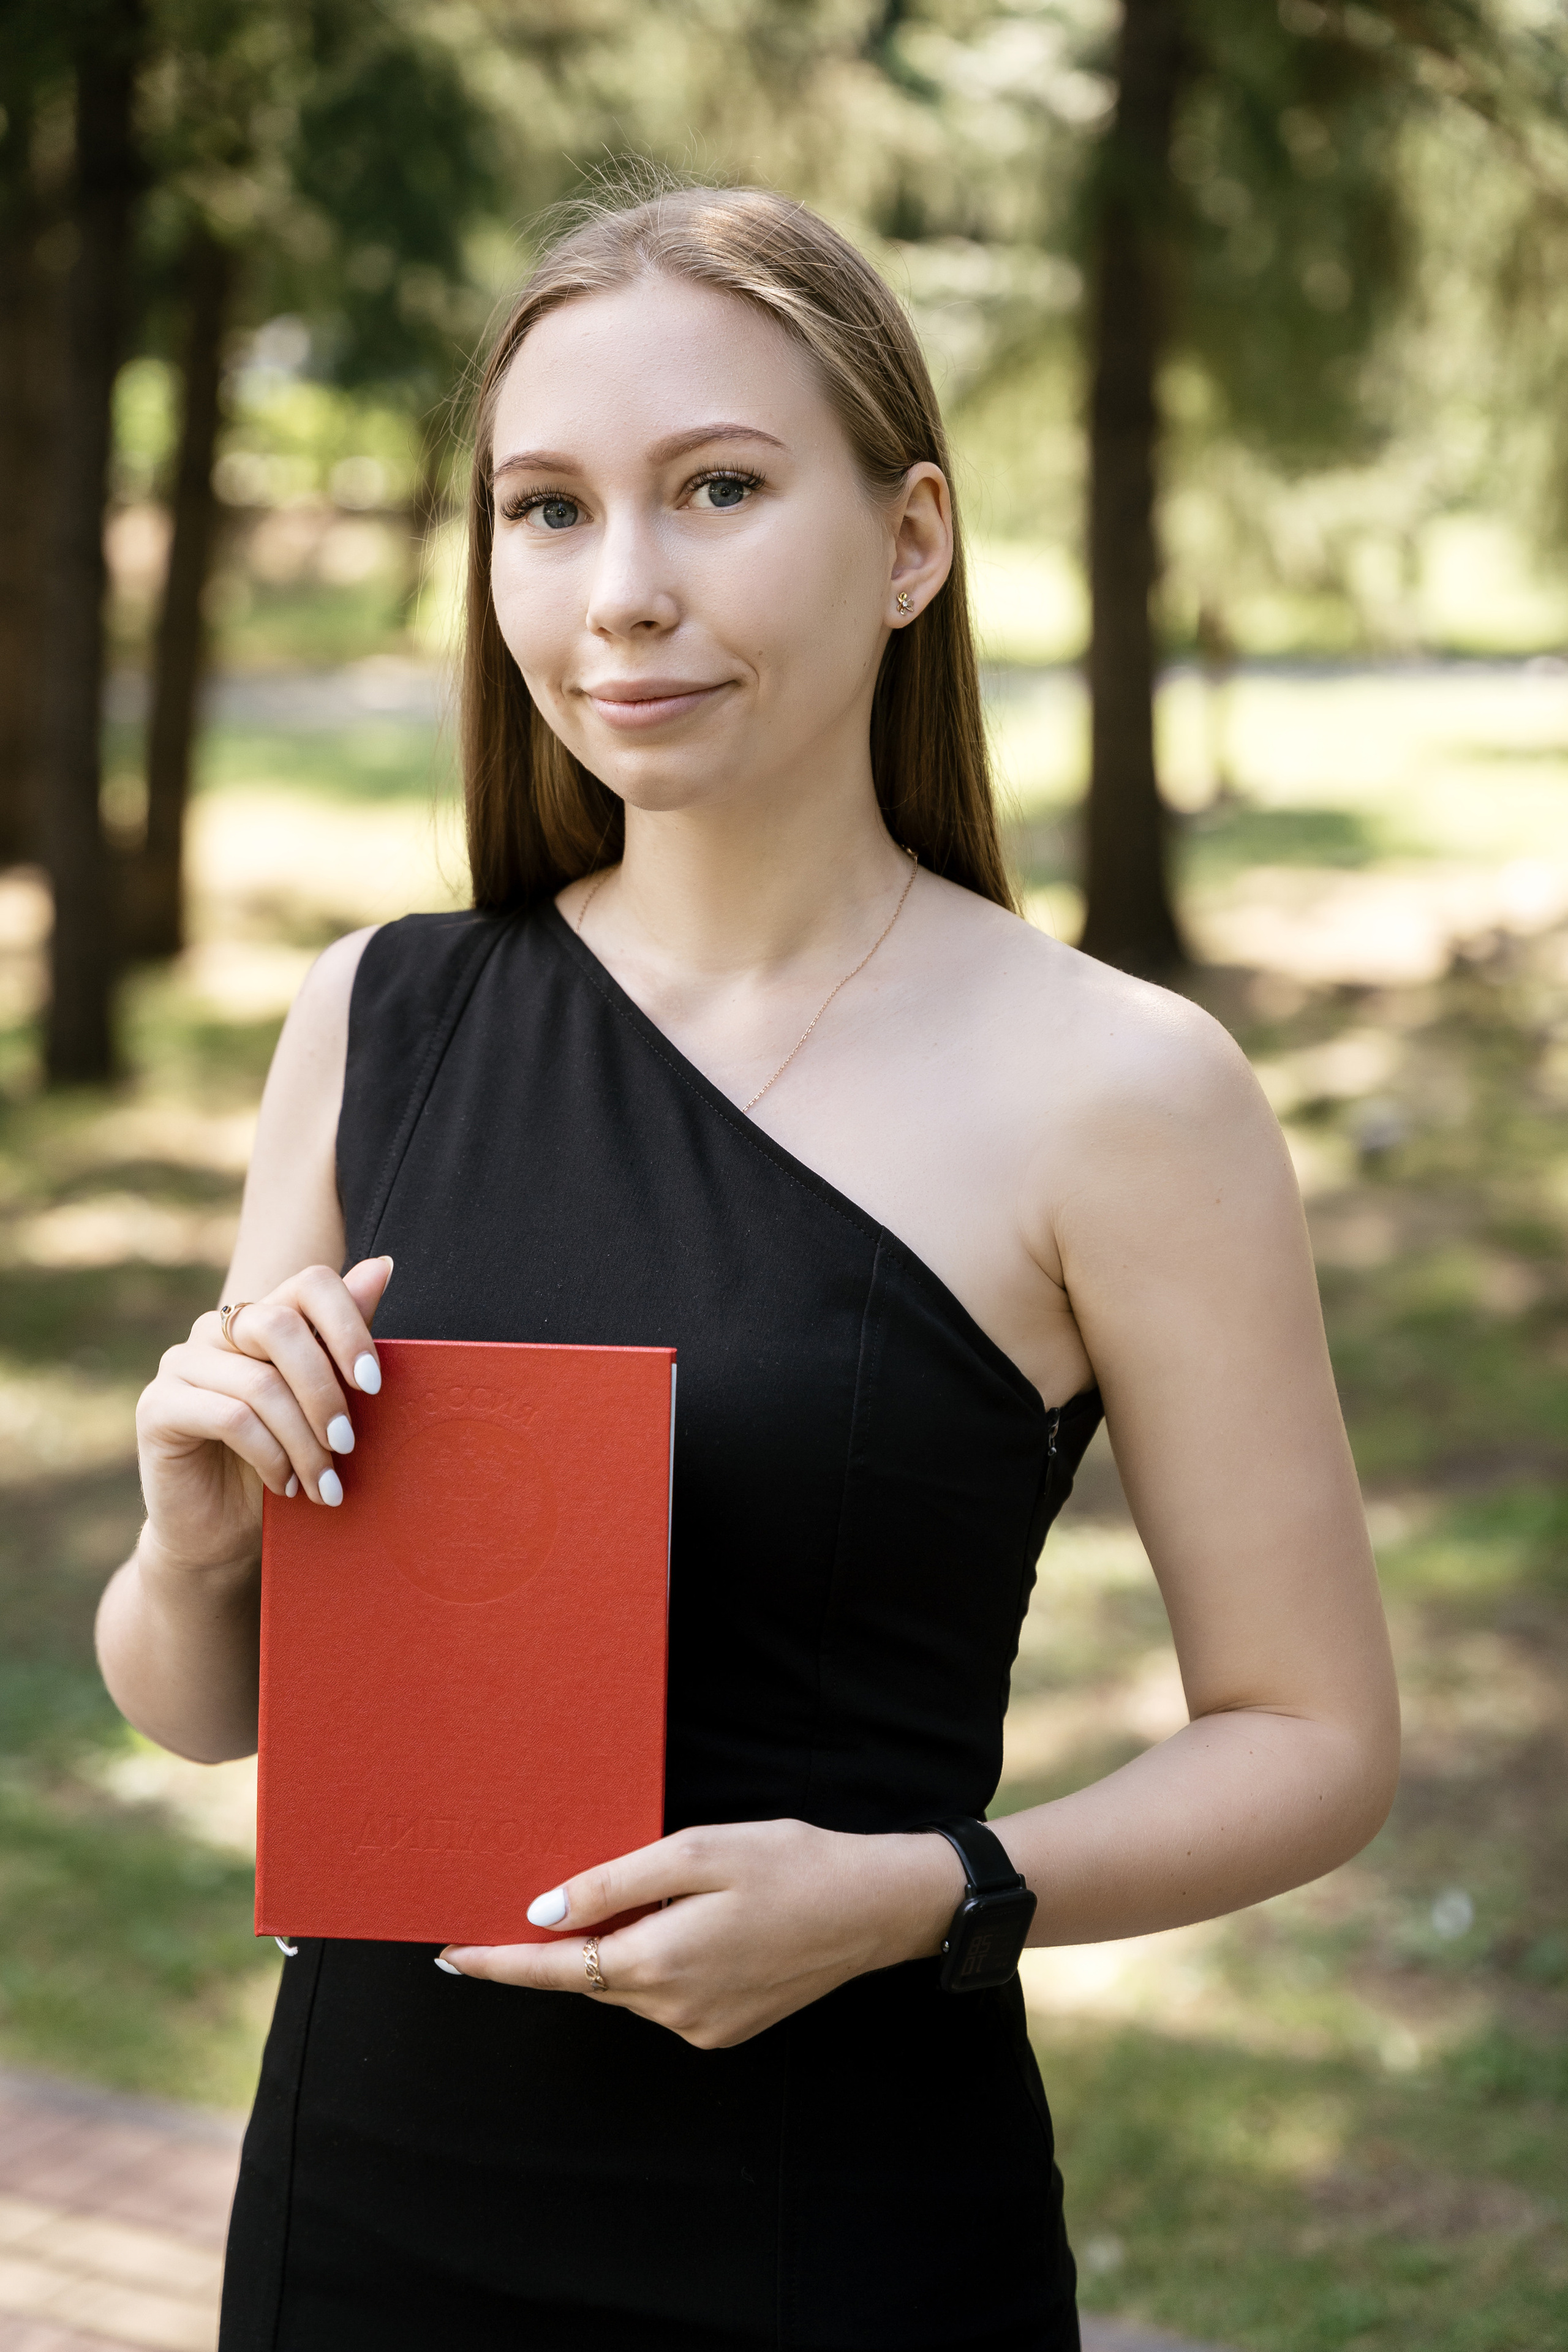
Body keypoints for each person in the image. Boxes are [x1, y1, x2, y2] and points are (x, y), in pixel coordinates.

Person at [96, 183, 1400, 2351]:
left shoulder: (1123, 1090)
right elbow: (203, 1709)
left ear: (911, 542)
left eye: (717, 488)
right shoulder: (377, 1016)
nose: (623, 591)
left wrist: (915, 1897)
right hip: (364, 2218)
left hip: (842, 2232)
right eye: (547, 508)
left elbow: (1315, 1737)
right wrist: (194, 1539)